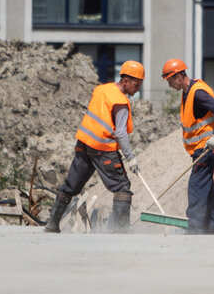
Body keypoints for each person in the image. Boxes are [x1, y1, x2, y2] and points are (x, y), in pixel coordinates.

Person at [44, 60, 144, 233]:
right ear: (125, 81)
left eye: (140, 85)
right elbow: (120, 133)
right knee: (121, 187)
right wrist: (130, 158)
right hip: (103, 148)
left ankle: (52, 225)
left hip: (83, 145)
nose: (137, 89)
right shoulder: (120, 103)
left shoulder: (101, 89)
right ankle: (120, 230)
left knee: (71, 186)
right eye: (136, 85)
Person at [162, 58, 214, 234]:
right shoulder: (188, 92)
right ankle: (212, 229)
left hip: (207, 147)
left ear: (178, 76)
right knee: (207, 188)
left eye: (170, 80)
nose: (170, 85)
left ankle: (195, 229)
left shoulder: (197, 93)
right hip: (201, 148)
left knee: (196, 185)